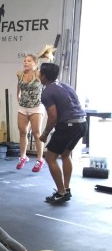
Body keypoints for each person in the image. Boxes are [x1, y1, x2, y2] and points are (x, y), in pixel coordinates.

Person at [38, 61, 87, 204]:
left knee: (50, 158)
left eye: (40, 72)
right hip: (82, 124)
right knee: (65, 154)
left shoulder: (47, 92)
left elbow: (53, 117)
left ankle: (61, 193)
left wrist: (45, 134)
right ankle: (66, 188)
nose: (38, 74)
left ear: (44, 76)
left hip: (68, 126)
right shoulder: (66, 86)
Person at [15, 48, 50, 172]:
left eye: (29, 61)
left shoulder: (39, 74)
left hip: (36, 106)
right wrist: (18, 94)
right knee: (22, 132)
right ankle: (23, 157)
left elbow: (49, 83)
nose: (25, 62)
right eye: (25, 61)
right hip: (23, 107)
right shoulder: (19, 74)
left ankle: (40, 159)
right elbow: (19, 84)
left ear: (35, 63)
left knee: (36, 133)